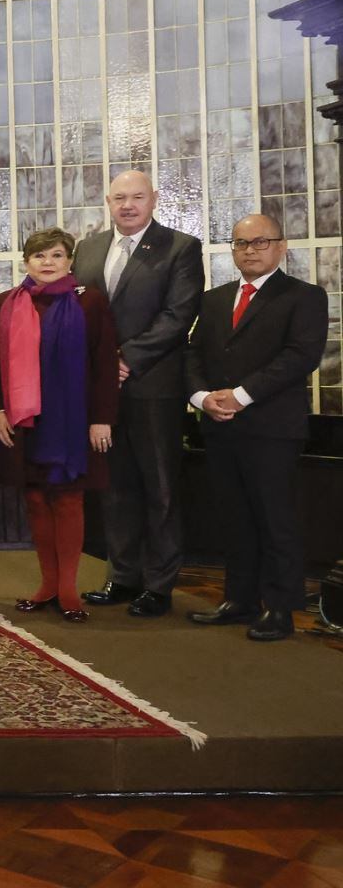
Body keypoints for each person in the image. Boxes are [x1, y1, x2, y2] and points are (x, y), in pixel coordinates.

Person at [185, 214, 328, 642]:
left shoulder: (304, 296)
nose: (249, 250)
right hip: (219, 425)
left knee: (274, 518)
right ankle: (239, 599)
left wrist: (240, 395)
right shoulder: (214, 299)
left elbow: (301, 356)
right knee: (234, 517)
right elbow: (192, 354)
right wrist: (202, 397)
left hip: (271, 427)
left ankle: (280, 608)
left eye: (260, 242)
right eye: (241, 243)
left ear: (282, 247)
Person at [72, 171, 203, 618]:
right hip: (99, 392)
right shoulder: (87, 249)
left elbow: (178, 314)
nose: (128, 205)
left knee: (161, 488)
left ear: (155, 200)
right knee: (114, 486)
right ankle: (121, 576)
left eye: (137, 197)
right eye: (120, 198)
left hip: (152, 386)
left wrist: (123, 360)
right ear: (107, 201)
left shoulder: (181, 248)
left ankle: (160, 584)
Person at [0, 227, 120, 623]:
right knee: (34, 499)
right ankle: (47, 583)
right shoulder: (6, 304)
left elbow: (104, 366)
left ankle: (68, 588)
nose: (48, 264)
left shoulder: (90, 304)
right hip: (23, 419)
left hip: (73, 420)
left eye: (57, 256)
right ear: (26, 262)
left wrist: (101, 419)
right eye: (39, 256)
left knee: (67, 499)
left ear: (70, 261)